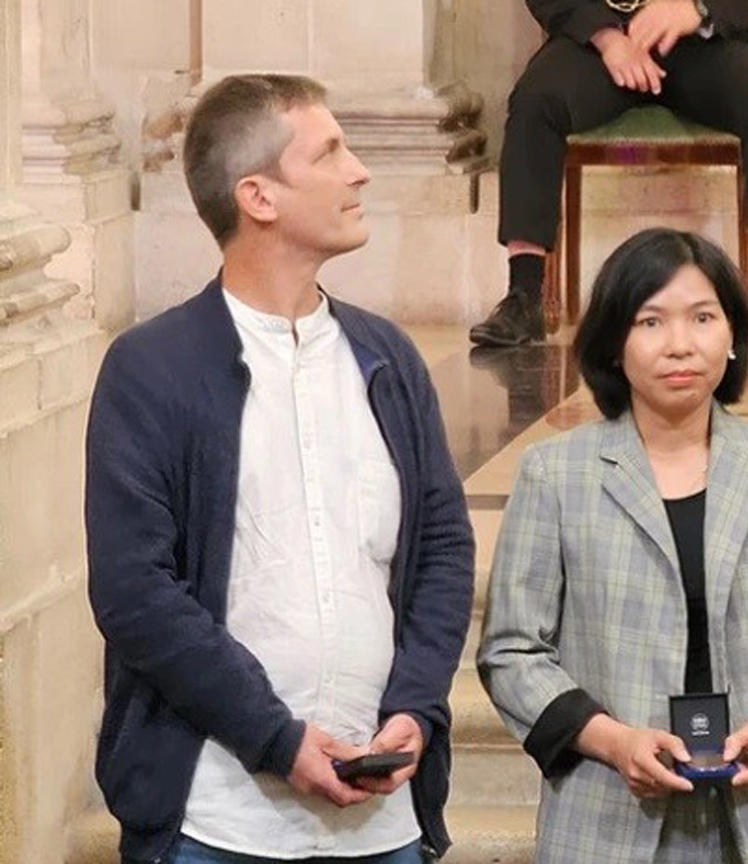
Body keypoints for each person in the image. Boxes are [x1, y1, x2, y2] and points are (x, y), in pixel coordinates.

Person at [85, 74, 476, 864]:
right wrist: (277, 738)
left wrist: (416, 708)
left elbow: (442, 548)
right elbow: (135, 592)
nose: (359, 170)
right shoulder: (150, 368)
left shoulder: (389, 358)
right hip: (216, 819)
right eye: (330, 152)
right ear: (257, 197)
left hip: (382, 823)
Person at [478, 227, 748, 862]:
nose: (681, 345)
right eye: (651, 321)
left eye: (703, 318)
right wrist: (611, 740)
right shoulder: (556, 474)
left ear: (733, 337)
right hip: (610, 809)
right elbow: (512, 651)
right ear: (614, 344)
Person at [468, 0, 748, 352]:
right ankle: (524, 295)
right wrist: (607, 37)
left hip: (702, 44)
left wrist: (696, 8)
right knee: (535, 102)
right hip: (596, 47)